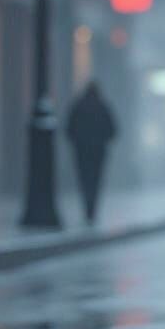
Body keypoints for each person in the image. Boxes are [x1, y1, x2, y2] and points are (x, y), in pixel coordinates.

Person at [65, 81, 118, 225]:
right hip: (98, 152)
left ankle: (87, 208)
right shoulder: (102, 107)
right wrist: (102, 139)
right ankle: (91, 210)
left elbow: (69, 128)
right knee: (95, 180)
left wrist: (77, 140)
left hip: (81, 151)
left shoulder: (79, 106)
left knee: (84, 179)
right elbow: (113, 130)